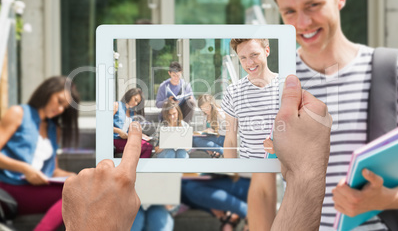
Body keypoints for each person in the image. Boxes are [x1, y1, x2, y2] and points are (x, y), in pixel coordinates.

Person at [62, 75, 333, 231]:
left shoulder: (196, 119)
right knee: (182, 177)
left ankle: (230, 212)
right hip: (170, 183)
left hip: (178, 181)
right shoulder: (137, 116)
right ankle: (229, 213)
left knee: (191, 174)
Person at [250, 0, 398, 230]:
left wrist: (386, 198)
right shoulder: (274, 85)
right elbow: (263, 190)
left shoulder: (393, 72)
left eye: (313, 5)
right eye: (289, 11)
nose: (303, 23)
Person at [0, 76, 79, 230]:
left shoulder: (54, 129)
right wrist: (25, 168)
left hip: (33, 190)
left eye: (65, 107)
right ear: (47, 92)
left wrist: (73, 177)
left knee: (79, 188)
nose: (61, 109)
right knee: (74, 194)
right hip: (8, 186)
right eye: (59, 101)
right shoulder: (18, 113)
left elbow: (53, 170)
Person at [221, 38, 279, 227]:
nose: (249, 63)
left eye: (254, 55)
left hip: (282, 177)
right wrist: (231, 180)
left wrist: (280, 147)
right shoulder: (233, 92)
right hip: (250, 180)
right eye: (243, 57)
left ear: (267, 50)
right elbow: (230, 140)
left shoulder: (287, 87)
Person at [181, 173, 250, 231]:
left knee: (186, 189)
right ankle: (249, 214)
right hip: (246, 186)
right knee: (189, 189)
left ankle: (248, 214)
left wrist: (229, 222)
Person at [113, 88, 152, 158]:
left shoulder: (132, 113)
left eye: (138, 103)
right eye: (135, 100)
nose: (136, 103)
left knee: (148, 146)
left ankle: (134, 168)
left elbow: (132, 130)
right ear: (130, 95)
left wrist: (142, 135)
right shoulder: (116, 105)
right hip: (115, 139)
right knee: (146, 147)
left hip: (126, 139)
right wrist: (119, 131)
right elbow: (104, 125)